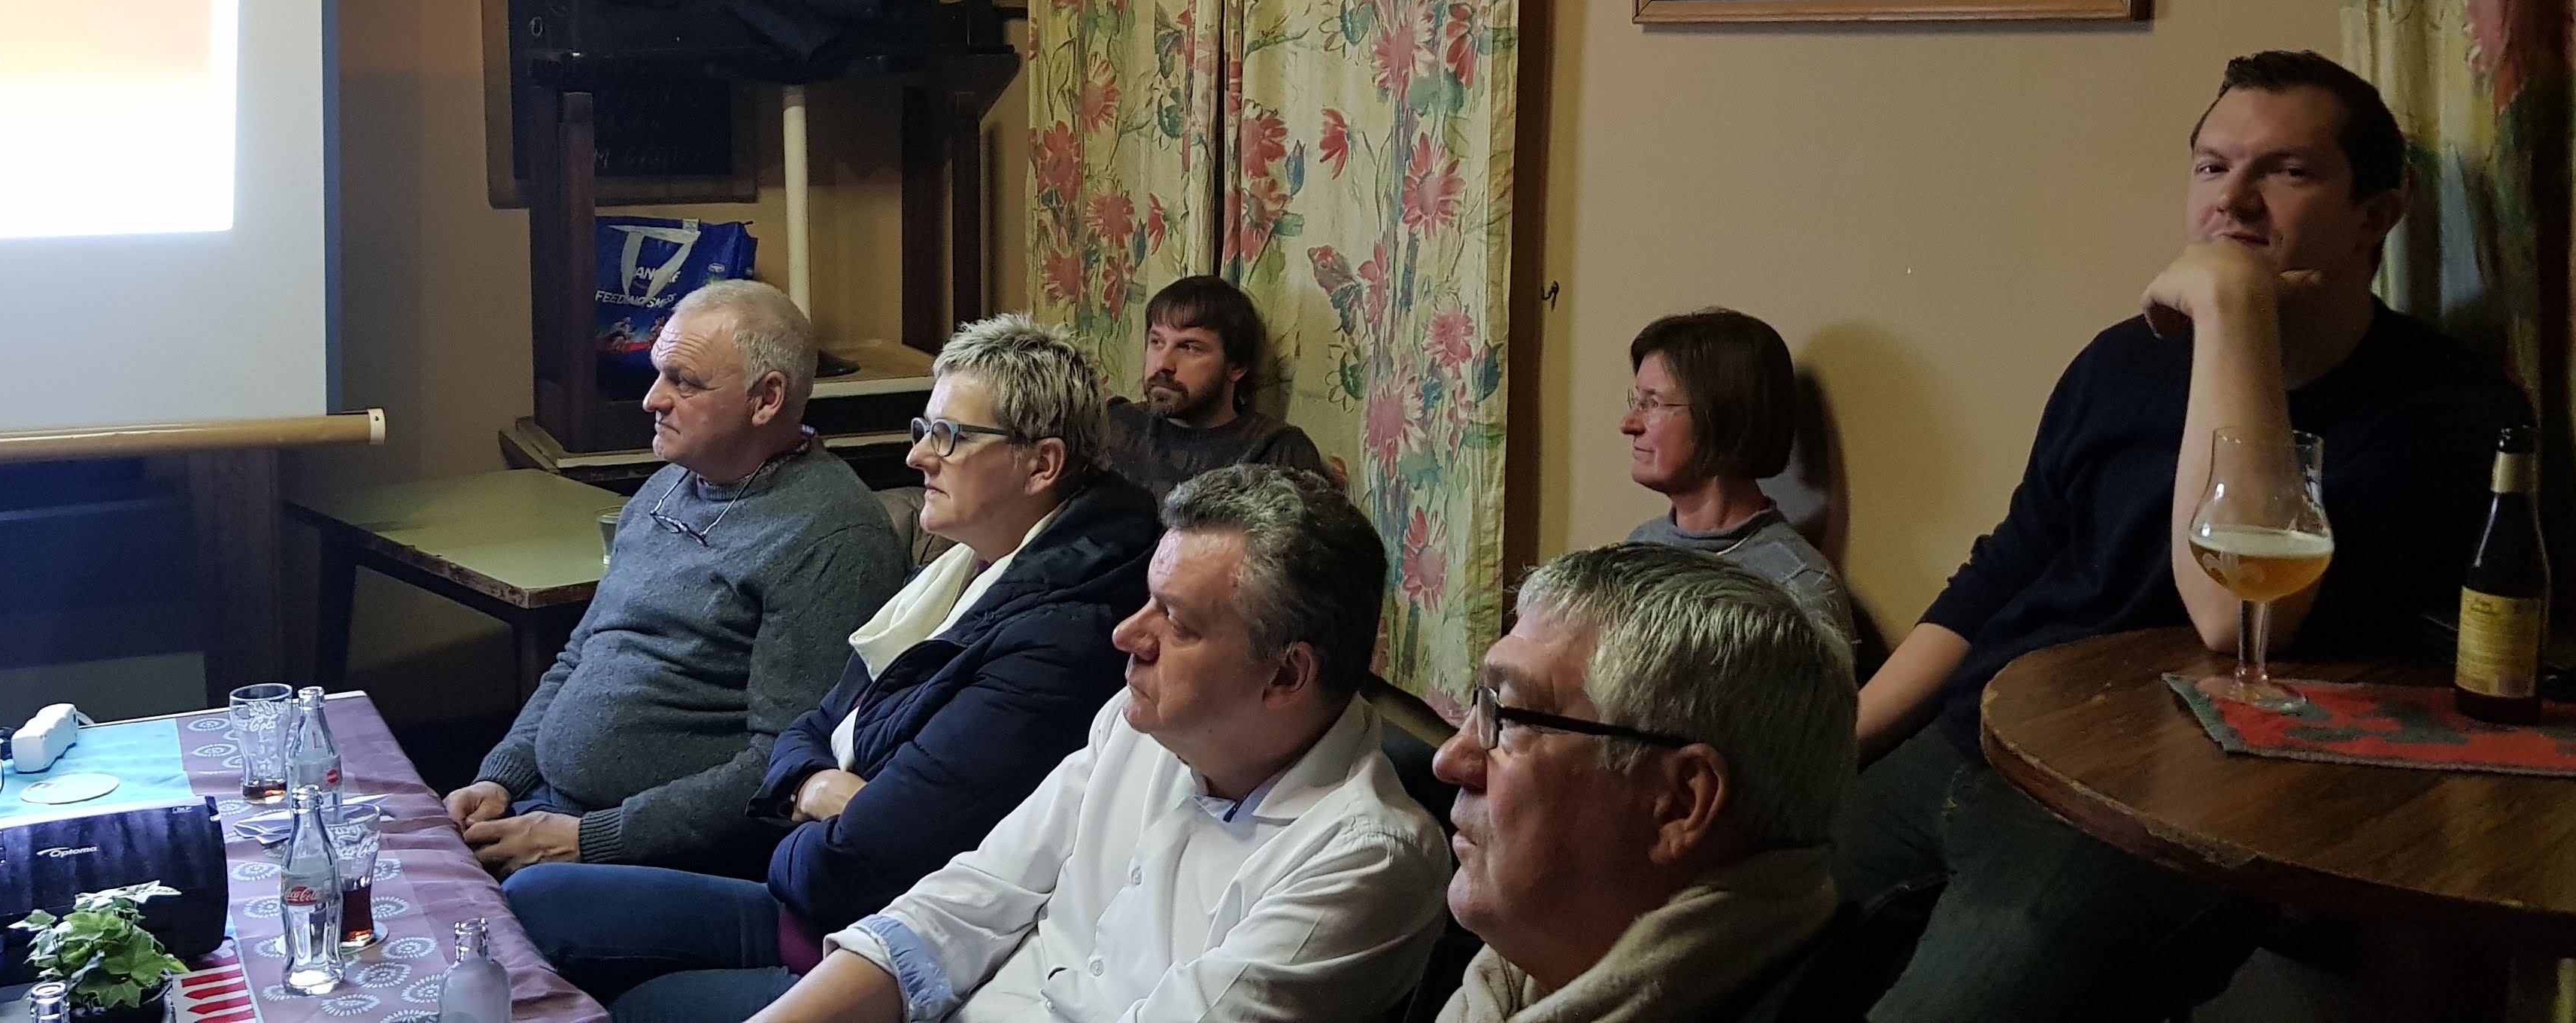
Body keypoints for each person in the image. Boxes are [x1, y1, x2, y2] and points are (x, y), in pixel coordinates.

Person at [1836, 51, 2529, 1021]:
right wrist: (1835, 742)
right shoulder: (2118, 365)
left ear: (2378, 212)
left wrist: (2233, 304)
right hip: (1973, 739)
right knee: (1729, 954)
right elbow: (2006, 566)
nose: (2233, 200)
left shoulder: (2446, 411)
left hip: (2152, 809)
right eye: (2212, 167)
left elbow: (2236, 609)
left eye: (2286, 171)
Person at [504, 314, 1164, 1022]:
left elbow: (856, 862)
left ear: (1042, 464)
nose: (918, 457)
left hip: (863, 939)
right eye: (923, 429)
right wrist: (816, 785)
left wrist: (796, 816)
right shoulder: (960, 574)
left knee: (644, 1006)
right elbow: (809, 728)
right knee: (529, 904)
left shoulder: (1061, 638)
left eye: (948, 436)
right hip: (804, 892)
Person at [742, 464, 1451, 1023]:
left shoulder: (1363, 861)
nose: (1127, 634)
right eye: (1147, 600)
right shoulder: (1141, 725)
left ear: (1287, 674)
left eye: (1176, 621)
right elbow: (966, 902)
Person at [444, 281, 906, 879]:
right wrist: (500, 778)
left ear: (766, 398)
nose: (651, 400)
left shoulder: (832, 537)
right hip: (549, 810)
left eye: (684, 382)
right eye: (658, 374)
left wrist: (591, 839)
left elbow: (782, 765)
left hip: (658, 855)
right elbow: (581, 657)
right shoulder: (667, 487)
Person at [1431, 544, 1858, 1022]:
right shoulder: (1507, 983)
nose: (1449, 760)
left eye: (1507, 716)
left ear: (1677, 805)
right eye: (1482, 702)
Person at [1622, 309, 1857, 668]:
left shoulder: (1797, 586)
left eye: (1652, 404)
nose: (1629, 423)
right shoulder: (1640, 546)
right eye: (1636, 401)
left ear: (1721, 415)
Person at [1099, 275, 1330, 502]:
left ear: (1236, 366)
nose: (1162, 364)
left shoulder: (1276, 451)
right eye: (1157, 342)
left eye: (1189, 348)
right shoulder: (1117, 424)